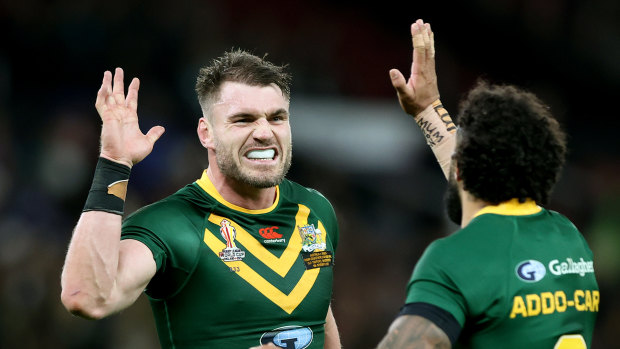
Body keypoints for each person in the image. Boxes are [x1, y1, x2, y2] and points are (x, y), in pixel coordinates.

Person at [61, 50, 341, 349]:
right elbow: (86, 299)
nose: (264, 132)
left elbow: (317, 317)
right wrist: (114, 163)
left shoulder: (314, 210)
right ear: (206, 133)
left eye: (277, 118)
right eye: (243, 120)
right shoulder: (170, 225)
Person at [374, 19, 599, 348]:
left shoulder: (454, 259)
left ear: (462, 171)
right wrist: (427, 110)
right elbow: (471, 171)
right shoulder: (569, 237)